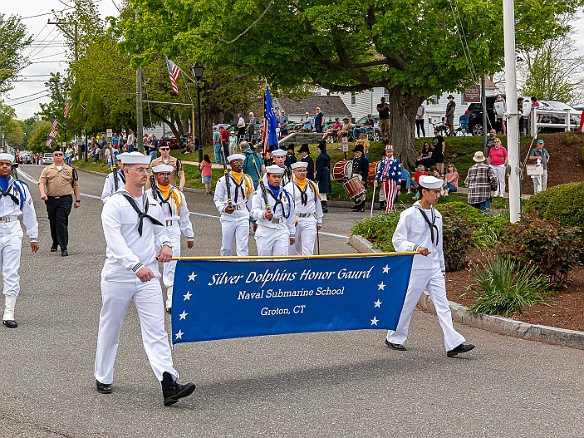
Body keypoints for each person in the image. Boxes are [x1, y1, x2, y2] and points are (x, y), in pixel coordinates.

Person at [94, 152, 195, 405]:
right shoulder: (114, 204)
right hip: (120, 275)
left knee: (157, 330)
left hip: (148, 276)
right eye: (139, 169)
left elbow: (160, 229)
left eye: (145, 169)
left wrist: (166, 245)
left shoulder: (151, 201)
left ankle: (168, 383)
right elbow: (115, 243)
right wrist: (135, 265)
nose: (145, 174)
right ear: (125, 171)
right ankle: (103, 375)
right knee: (111, 327)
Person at [385, 175, 475, 357]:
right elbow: (398, 239)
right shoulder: (409, 214)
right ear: (423, 192)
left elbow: (438, 245)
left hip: (433, 267)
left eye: (439, 191)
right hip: (416, 267)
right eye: (434, 192)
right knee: (408, 303)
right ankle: (394, 337)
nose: (438, 195)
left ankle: (453, 343)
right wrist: (415, 248)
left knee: (443, 305)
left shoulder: (437, 215)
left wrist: (441, 269)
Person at [147, 164, 195, 312]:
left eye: (168, 174)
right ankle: (149, 297)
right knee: (151, 263)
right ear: (156, 176)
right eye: (162, 174)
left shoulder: (177, 194)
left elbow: (184, 215)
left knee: (172, 265)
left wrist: (189, 234)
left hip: (172, 229)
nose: (165, 177)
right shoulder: (148, 194)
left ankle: (171, 300)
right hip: (154, 230)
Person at [0, 153, 38, 328]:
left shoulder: (21, 187)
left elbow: (29, 212)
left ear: (12, 167)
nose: (4, 167)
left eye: (7, 164)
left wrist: (33, 236)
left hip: (12, 230)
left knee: (11, 271)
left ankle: (9, 312)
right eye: (1, 164)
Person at [38, 148, 80, 257]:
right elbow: (41, 183)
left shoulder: (70, 170)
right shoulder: (47, 169)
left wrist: (77, 200)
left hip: (65, 199)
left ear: (63, 156)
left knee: (61, 221)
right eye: (56, 154)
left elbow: (75, 186)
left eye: (60, 154)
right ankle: (55, 242)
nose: (58, 156)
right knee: (53, 221)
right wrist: (43, 193)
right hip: (51, 199)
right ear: (53, 157)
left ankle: (63, 247)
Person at [214, 154, 254, 257]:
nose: (239, 165)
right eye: (236, 162)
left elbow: (251, 199)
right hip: (228, 216)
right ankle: (225, 267)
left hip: (242, 214)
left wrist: (252, 216)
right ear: (231, 164)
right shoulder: (223, 180)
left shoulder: (247, 179)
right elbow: (217, 199)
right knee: (226, 246)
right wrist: (223, 208)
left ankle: (242, 268)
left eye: (241, 162)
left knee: (243, 246)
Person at [251, 165, 295, 256]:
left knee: (282, 259)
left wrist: (292, 233)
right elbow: (253, 212)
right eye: (274, 177)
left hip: (282, 228)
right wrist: (263, 214)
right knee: (264, 260)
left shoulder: (286, 194)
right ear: (267, 177)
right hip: (265, 229)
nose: (277, 179)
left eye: (279, 177)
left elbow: (290, 214)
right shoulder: (259, 193)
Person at [285, 162, 323, 255]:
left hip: (309, 218)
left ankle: (308, 267)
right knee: (292, 249)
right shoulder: (289, 186)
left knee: (308, 249)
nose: (302, 173)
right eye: (300, 171)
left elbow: (317, 202)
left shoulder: (312, 185)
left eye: (304, 171)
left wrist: (319, 219)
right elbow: (286, 206)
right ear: (294, 172)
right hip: (295, 219)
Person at [374, 144, 402, 212]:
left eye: (391, 152)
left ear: (393, 152)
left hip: (392, 180)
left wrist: (398, 183)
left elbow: (399, 172)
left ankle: (388, 210)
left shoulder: (396, 161)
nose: (389, 153)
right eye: (388, 152)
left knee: (391, 195)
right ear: (386, 152)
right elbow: (380, 171)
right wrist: (376, 179)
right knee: (386, 196)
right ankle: (390, 209)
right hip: (384, 180)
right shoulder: (383, 161)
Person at [350, 144, 369, 212]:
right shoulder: (353, 160)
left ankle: (362, 206)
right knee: (355, 191)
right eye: (355, 152)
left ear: (360, 152)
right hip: (354, 175)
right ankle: (357, 204)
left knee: (361, 191)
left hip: (360, 176)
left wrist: (364, 179)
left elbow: (366, 170)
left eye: (356, 152)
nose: (355, 153)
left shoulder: (364, 160)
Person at [315, 141, 331, 213]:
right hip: (326, 173)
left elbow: (319, 168)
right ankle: (324, 205)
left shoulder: (320, 157)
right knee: (323, 191)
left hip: (322, 174)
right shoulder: (327, 156)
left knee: (321, 191)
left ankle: (323, 205)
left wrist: (317, 178)